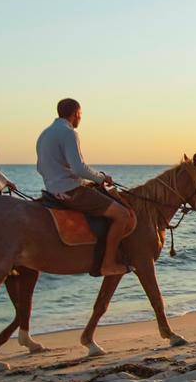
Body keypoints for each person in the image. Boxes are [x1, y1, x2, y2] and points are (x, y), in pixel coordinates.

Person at [36, 98, 135, 276]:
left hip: (52, 191)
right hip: (71, 191)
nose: (80, 119)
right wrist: (100, 178)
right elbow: (79, 168)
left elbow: (40, 167)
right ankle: (108, 264)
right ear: (75, 114)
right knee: (122, 215)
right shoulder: (69, 133)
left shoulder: (44, 134)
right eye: (80, 115)